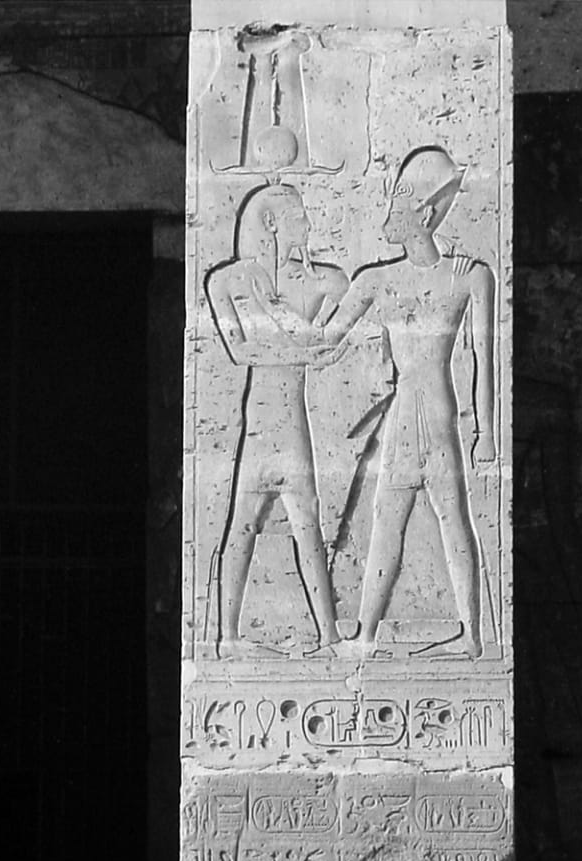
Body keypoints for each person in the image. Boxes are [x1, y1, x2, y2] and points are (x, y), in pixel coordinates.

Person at [315, 146, 496, 657]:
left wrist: (485, 432)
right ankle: (367, 635)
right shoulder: (377, 279)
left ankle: (471, 635)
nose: (386, 220)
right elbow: (328, 339)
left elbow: (484, 356)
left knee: (452, 516)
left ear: (424, 213)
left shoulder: (469, 276)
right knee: (388, 518)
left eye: (396, 207)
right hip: (404, 413)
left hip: (436, 409)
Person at [206, 183, 350, 658]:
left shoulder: (318, 281)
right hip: (259, 426)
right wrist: (301, 344)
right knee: (241, 528)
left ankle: (328, 635)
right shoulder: (226, 282)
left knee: (309, 527)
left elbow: (328, 326)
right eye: (299, 218)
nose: (308, 226)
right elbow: (241, 350)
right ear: (271, 224)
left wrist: (280, 312)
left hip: (292, 427)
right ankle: (227, 636)